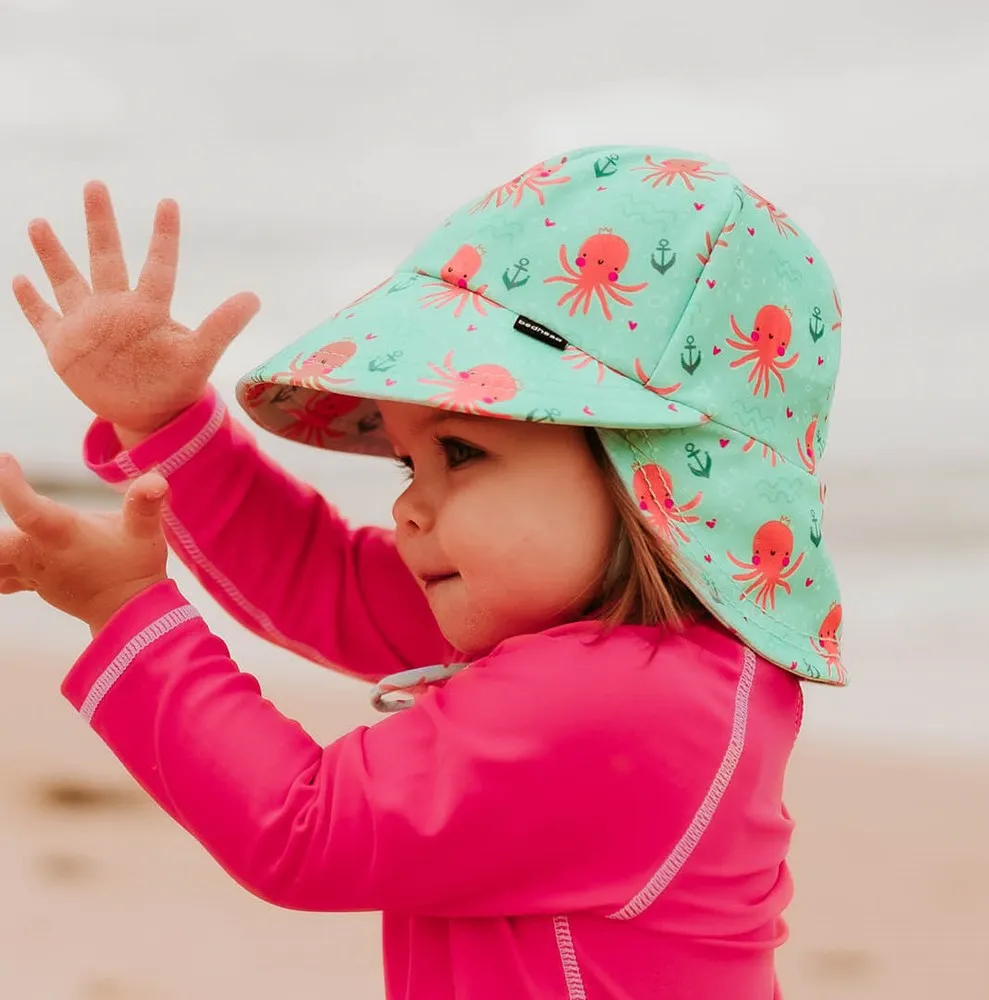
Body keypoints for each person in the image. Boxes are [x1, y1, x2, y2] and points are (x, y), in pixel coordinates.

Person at [0, 144, 846, 999]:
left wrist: (124, 609)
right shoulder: (634, 651)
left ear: (645, 473)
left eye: (463, 451)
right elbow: (323, 580)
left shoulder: (630, 702)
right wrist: (163, 421)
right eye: (409, 465)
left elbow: (299, 829)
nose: (409, 508)